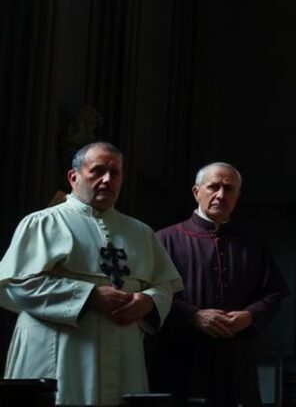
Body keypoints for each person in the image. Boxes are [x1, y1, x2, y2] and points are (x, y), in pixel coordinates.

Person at [0, 142, 183, 406]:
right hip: (60, 351)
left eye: (115, 173)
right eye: (97, 171)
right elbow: (18, 284)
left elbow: (165, 284)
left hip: (123, 352)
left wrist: (149, 301)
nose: (107, 180)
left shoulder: (141, 232)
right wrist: (88, 296)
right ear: (74, 177)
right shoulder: (43, 222)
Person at [148, 162, 290, 407]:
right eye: (213, 187)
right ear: (196, 192)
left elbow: (274, 293)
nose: (221, 195)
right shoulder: (164, 239)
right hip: (181, 358)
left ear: (237, 196)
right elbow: (150, 293)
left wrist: (249, 316)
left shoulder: (252, 246)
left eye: (229, 189)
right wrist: (193, 315)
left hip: (236, 362)